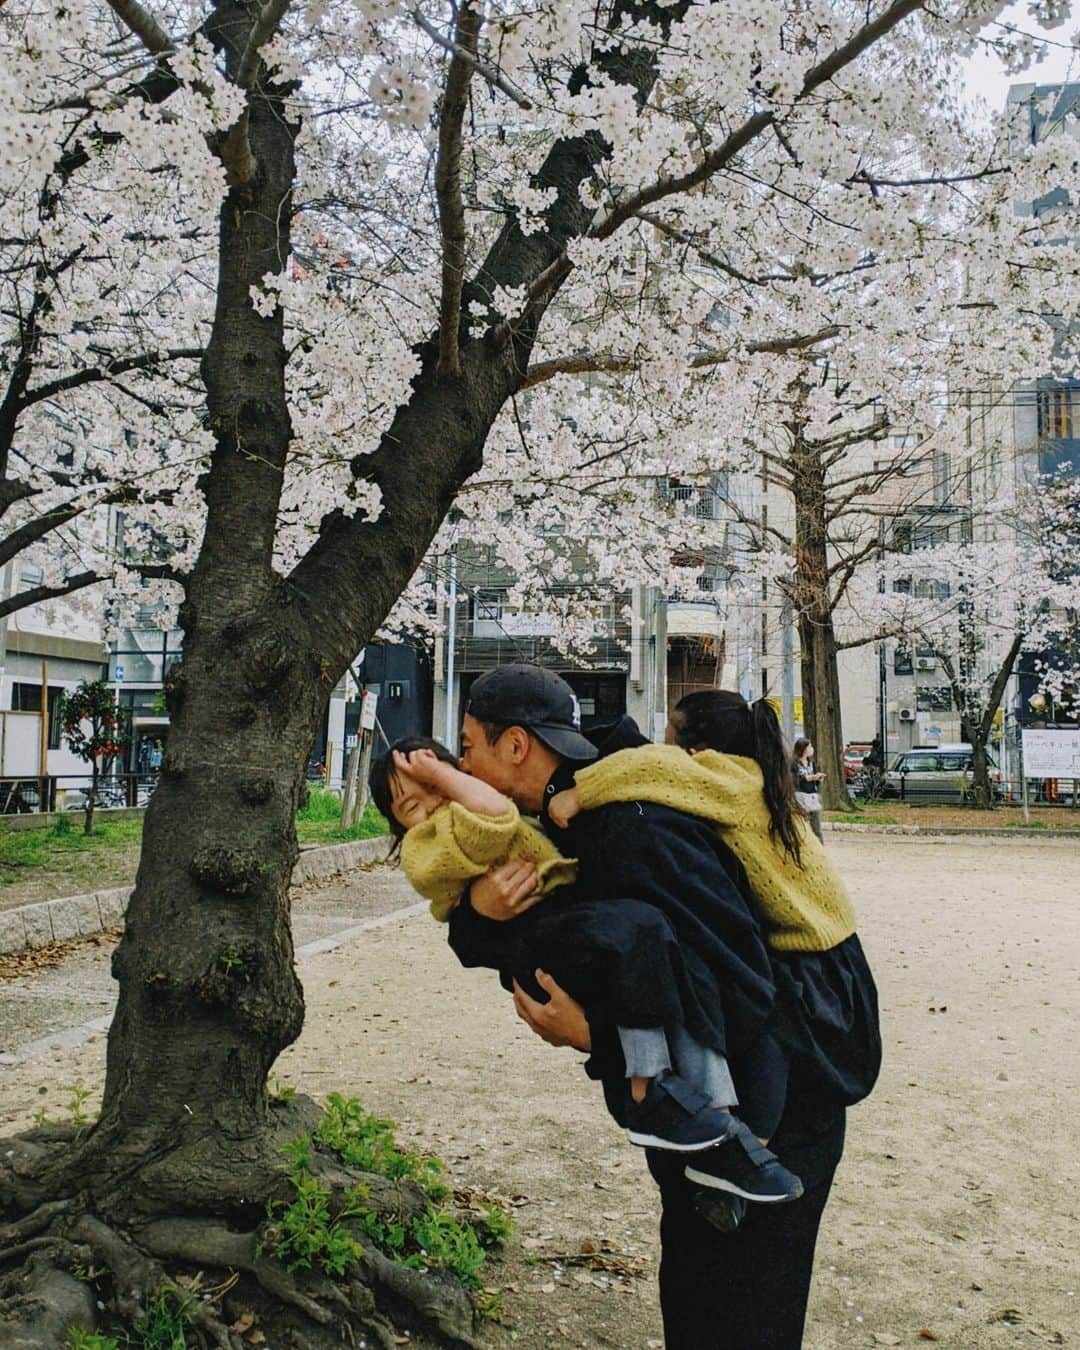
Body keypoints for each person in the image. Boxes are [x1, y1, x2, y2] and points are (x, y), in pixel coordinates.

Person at [449, 664, 881, 1349]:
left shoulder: (633, 826)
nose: (459, 761)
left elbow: (739, 990)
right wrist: (476, 909)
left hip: (775, 1099)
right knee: (697, 1290)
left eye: (467, 744)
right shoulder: (579, 810)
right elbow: (532, 933)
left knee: (739, 1311)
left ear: (517, 746)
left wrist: (599, 1037)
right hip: (714, 1107)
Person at [369, 733, 803, 1204]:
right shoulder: (430, 843)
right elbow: (490, 821)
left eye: (435, 789)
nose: (431, 807)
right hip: (544, 936)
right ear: (398, 826)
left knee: (670, 961)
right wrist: (439, 776)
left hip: (569, 922)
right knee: (637, 932)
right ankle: (647, 1093)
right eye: (411, 806)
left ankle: (719, 1132)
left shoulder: (553, 793)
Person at [793, 737, 825, 843]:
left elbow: (814, 780)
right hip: (800, 797)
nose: (812, 749)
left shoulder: (812, 763)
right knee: (801, 825)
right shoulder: (794, 763)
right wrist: (811, 777)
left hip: (812, 797)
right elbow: (795, 780)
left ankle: (820, 848)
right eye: (810, 746)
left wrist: (818, 779)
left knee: (816, 827)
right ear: (803, 749)